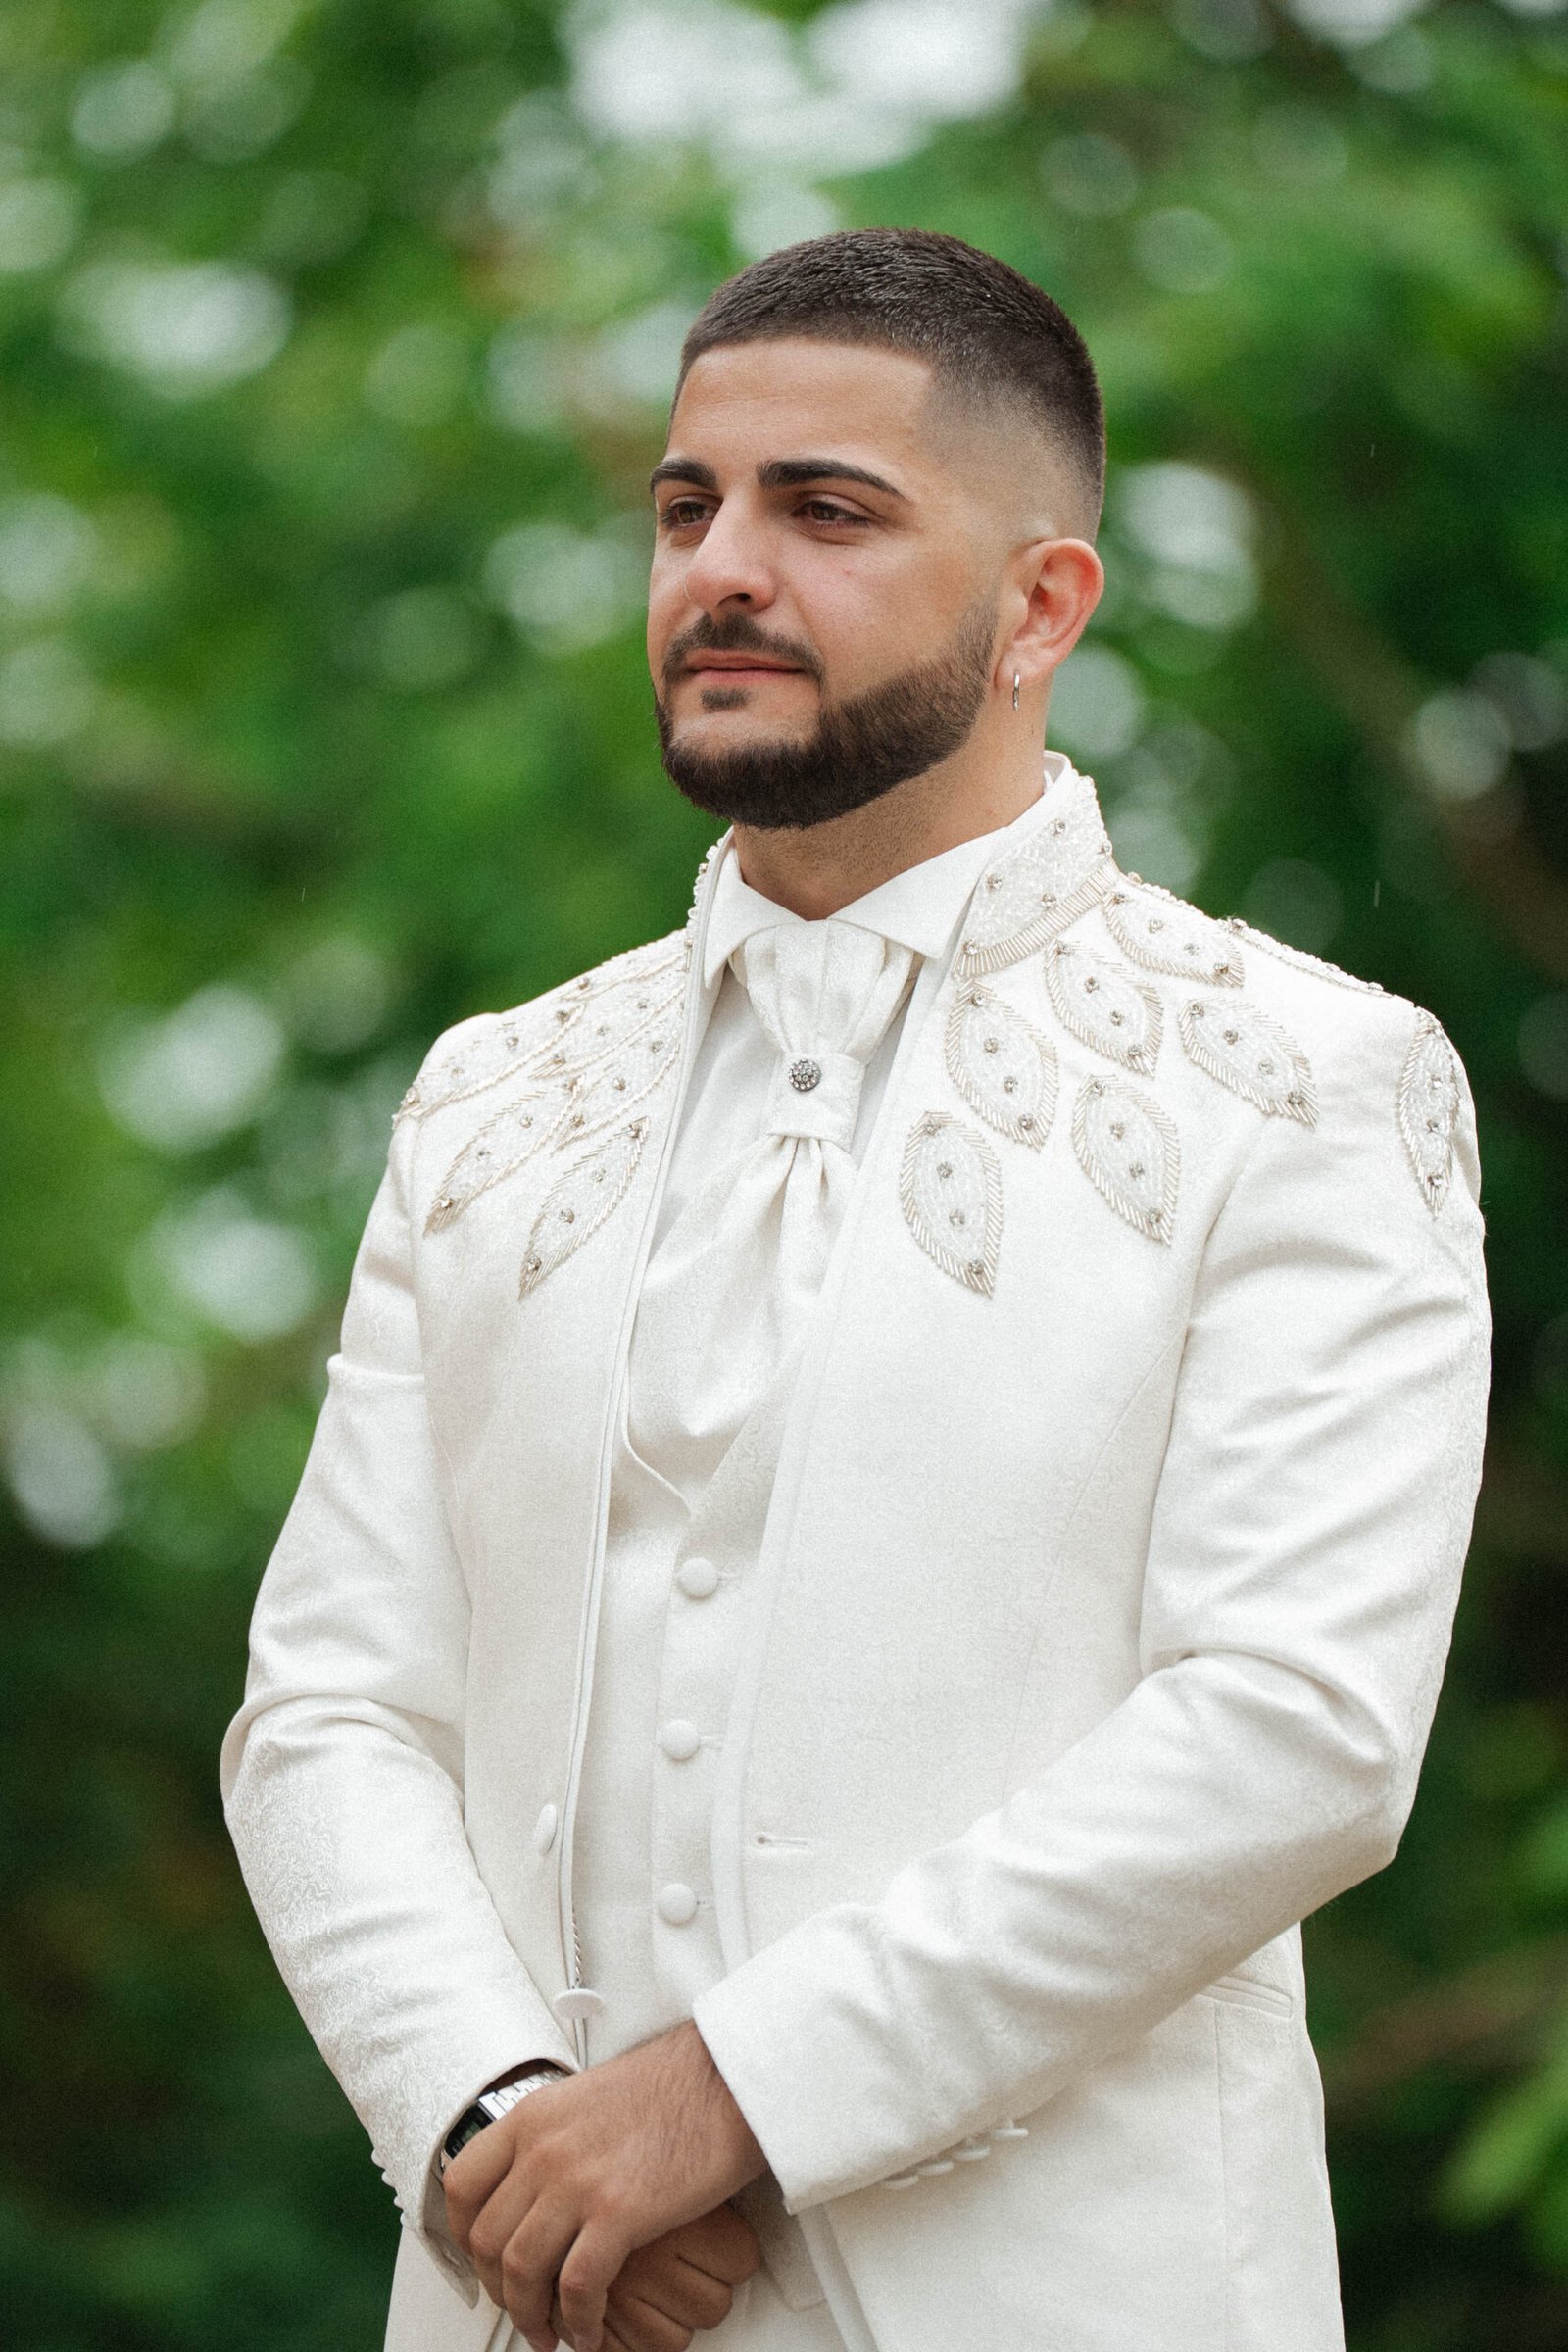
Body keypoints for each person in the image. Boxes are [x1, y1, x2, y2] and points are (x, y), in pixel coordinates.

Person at [220, 228, 1491, 2352]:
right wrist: (495, 2126)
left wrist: (724, 2101)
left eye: (823, 510)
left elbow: (1297, 1729)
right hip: (532, 2304)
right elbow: (334, 1711)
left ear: (1039, 607)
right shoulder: (489, 1098)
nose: (720, 570)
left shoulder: (1303, 1079)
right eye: (684, 508)